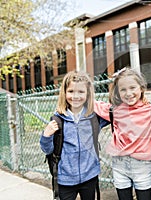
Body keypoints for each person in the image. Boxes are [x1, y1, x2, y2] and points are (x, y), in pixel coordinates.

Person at [40, 71, 109, 200]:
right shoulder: (58, 119)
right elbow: (47, 149)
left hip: (90, 176)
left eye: (81, 92)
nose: (75, 96)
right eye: (71, 91)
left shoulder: (94, 117)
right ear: (64, 93)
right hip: (65, 179)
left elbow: (117, 115)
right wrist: (46, 135)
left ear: (88, 93)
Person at [94, 67, 151, 200]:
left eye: (132, 88)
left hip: (142, 165)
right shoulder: (114, 110)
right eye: (123, 89)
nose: (128, 93)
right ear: (118, 92)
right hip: (119, 165)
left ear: (141, 88)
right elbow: (92, 103)